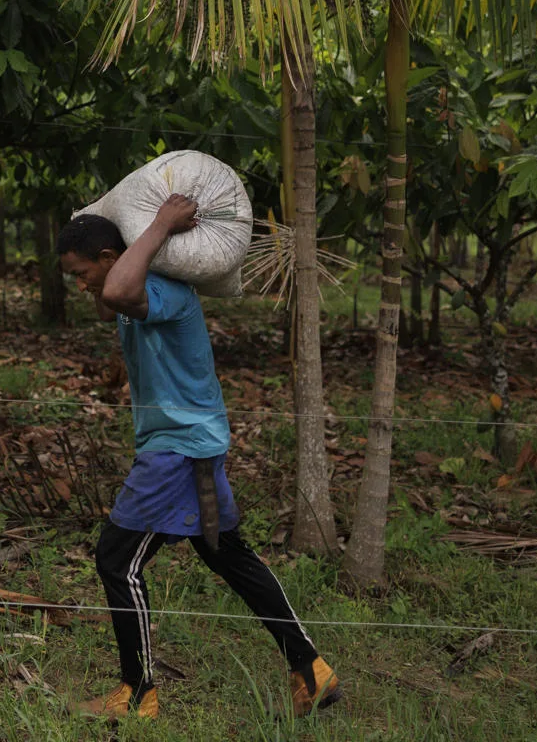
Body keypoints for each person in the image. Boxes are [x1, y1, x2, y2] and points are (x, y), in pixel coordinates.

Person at [57, 196, 341, 721]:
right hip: (194, 445)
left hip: (175, 452)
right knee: (226, 555)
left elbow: (115, 287)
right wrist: (102, 231)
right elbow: (107, 295)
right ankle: (311, 670)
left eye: (82, 272)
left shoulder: (162, 291)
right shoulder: (129, 290)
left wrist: (161, 224)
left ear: (108, 255)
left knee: (117, 562)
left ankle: (139, 695)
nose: (81, 286)